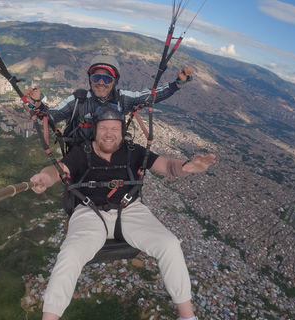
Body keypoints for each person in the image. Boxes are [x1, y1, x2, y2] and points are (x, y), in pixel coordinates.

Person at [30, 105, 216, 320]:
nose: (109, 134)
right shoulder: (81, 153)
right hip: (90, 211)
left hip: (129, 209)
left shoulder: (134, 152)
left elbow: (166, 165)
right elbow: (57, 170)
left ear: (122, 131)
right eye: (103, 128)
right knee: (70, 255)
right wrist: (45, 177)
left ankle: (187, 316)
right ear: (95, 130)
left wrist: (184, 168)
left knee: (170, 245)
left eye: (115, 129)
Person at [23, 55, 194, 146]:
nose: (101, 84)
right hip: (80, 155)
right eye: (97, 78)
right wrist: (37, 104)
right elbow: (51, 117)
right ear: (90, 79)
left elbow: (150, 96)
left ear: (115, 82)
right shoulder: (78, 100)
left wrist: (177, 83)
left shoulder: (122, 99)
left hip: (111, 155)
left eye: (107, 80)